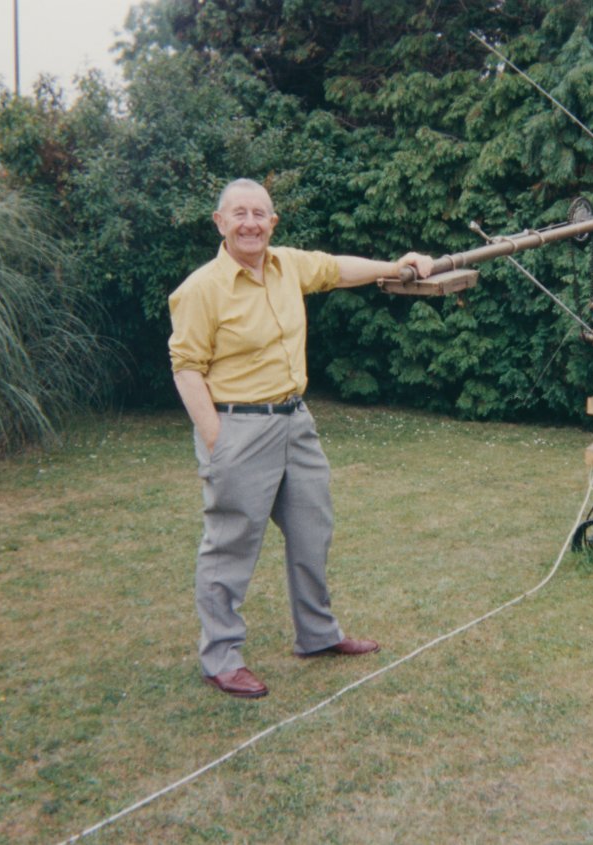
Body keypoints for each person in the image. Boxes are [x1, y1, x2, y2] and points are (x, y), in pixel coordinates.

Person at [168, 178, 434, 699]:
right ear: (219, 223)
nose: (250, 223)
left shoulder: (287, 265)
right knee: (230, 546)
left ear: (273, 223)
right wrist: (217, 439)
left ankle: (317, 635)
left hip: (296, 422)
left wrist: (397, 265)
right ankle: (220, 656)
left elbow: (336, 269)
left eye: (259, 213)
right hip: (238, 428)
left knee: (313, 530)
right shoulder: (201, 288)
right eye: (238, 213)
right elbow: (185, 368)